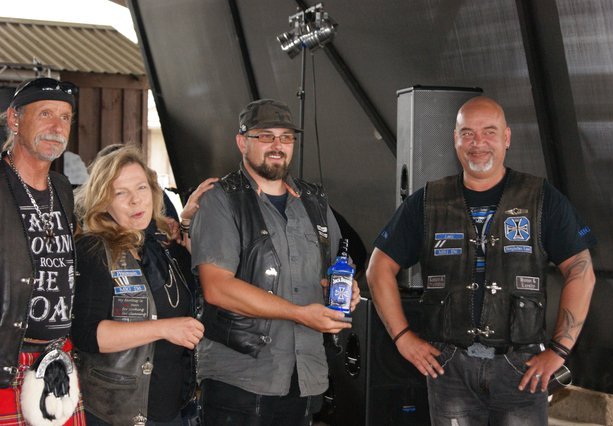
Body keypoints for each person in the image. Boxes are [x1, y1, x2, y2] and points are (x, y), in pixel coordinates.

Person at [367, 96, 597, 425]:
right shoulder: (428, 202)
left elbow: (581, 271)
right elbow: (378, 268)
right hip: (449, 369)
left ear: (507, 137)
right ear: (455, 139)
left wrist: (559, 350)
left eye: (489, 132)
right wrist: (403, 338)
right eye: (468, 133)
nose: (478, 143)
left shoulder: (541, 198)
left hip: (521, 368)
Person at [190, 99, 360, 426]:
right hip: (240, 379)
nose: (277, 146)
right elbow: (217, 288)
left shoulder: (314, 201)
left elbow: (339, 264)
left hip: (305, 376)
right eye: (265, 136)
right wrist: (299, 313)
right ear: (242, 142)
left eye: (286, 137)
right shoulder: (221, 200)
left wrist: (348, 288)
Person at [71, 146, 204, 425]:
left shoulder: (160, 246)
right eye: (121, 193)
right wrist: (164, 328)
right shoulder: (94, 249)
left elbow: (198, 289)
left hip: (173, 408)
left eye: (142, 188)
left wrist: (187, 228)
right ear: (103, 201)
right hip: (117, 412)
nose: (135, 200)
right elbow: (87, 335)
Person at [0, 77, 84, 425]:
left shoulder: (62, 189)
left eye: (65, 117)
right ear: (14, 119)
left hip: (58, 359)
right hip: (7, 361)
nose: (57, 127)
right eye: (46, 113)